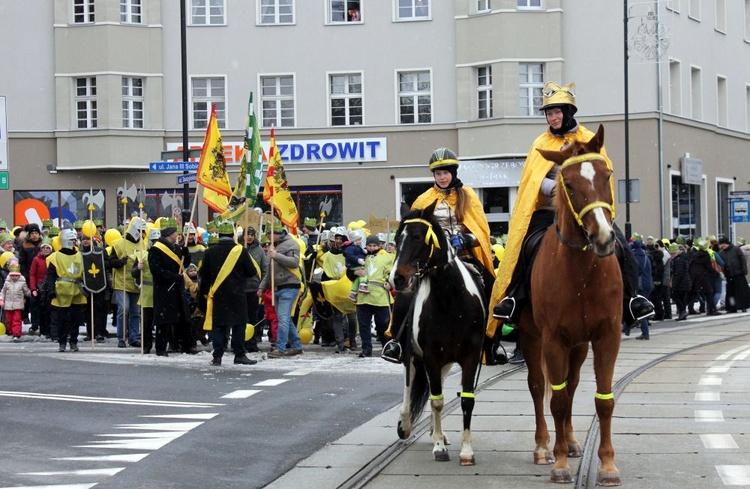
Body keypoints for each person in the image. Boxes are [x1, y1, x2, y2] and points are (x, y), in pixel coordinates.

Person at [488, 81, 654, 350]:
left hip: (587, 208)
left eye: (557, 112)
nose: (553, 117)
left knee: (620, 244)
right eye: (549, 113)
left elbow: (602, 174)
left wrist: (586, 197)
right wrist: (559, 189)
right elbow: (532, 180)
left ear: (568, 112)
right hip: (550, 210)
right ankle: (515, 298)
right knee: (526, 245)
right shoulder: (541, 143)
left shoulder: (588, 139)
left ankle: (632, 299)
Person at [382, 147, 496, 363]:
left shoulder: (468, 196)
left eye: (445, 173)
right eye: (437, 174)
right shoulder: (423, 200)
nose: (442, 177)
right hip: (431, 262)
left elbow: (481, 230)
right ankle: (396, 342)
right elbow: (412, 234)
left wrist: (466, 239)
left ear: (453, 172)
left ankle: (491, 344)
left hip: (464, 257)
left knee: (491, 285)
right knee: (406, 295)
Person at [199, 219, 258, 366]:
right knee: (239, 325)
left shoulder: (210, 252)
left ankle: (217, 355)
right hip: (238, 294)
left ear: (218, 235)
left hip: (218, 294)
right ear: (233, 235)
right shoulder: (241, 251)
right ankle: (239, 354)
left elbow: (203, 274)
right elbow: (251, 272)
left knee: (219, 326)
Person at [149, 219, 196, 355]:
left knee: (182, 318)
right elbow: (156, 270)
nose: (178, 235)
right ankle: (161, 347)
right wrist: (172, 277)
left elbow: (183, 265)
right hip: (164, 288)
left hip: (177, 288)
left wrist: (186, 255)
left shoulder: (176, 248)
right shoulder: (156, 249)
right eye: (176, 232)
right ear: (169, 234)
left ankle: (184, 345)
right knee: (164, 320)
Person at [259, 222, 304, 358]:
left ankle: (281, 347)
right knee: (284, 318)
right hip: (278, 286)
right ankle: (296, 345)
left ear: (276, 233)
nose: (267, 237)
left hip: (289, 285)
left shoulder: (292, 244)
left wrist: (277, 256)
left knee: (283, 319)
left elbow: (294, 262)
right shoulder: (273, 247)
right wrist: (262, 287)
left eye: (269, 234)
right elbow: (269, 272)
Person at [44, 226, 87, 352]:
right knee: (62, 320)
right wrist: (51, 290)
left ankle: (73, 341)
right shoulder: (55, 257)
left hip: (77, 291)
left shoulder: (80, 255)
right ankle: (62, 342)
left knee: (75, 319)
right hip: (61, 292)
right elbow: (51, 276)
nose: (73, 242)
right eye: (71, 240)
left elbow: (86, 273)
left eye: (74, 240)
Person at [352, 234, 394, 358]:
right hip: (363, 295)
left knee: (382, 323)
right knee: (364, 324)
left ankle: (386, 347)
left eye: (374, 245)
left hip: (380, 295)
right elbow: (350, 268)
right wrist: (354, 272)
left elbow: (391, 273)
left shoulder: (386, 257)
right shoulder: (361, 255)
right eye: (369, 245)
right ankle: (366, 349)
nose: (371, 248)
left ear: (379, 245)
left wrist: (390, 284)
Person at [109, 217, 145, 348]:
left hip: (136, 283)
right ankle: (122, 337)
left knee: (136, 311)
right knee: (124, 309)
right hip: (122, 282)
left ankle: (134, 337)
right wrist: (119, 262)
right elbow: (110, 262)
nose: (142, 234)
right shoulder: (119, 244)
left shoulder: (143, 244)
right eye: (140, 231)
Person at [133, 228, 159, 353]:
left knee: (160, 322)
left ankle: (160, 345)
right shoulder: (142, 254)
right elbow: (133, 273)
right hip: (147, 293)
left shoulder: (163, 254)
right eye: (154, 241)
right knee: (146, 323)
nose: (155, 243)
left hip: (160, 292)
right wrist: (138, 268)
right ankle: (146, 345)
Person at [241, 226, 266, 352]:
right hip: (240, 288)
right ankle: (240, 342)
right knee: (241, 318)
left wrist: (262, 286)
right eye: (247, 234)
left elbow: (264, 269)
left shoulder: (259, 250)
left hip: (254, 289)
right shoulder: (238, 248)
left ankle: (251, 342)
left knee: (252, 317)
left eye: (252, 234)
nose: (249, 237)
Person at [718, 237, 750, 313]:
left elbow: (742, 260)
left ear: (726, 243)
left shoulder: (736, 249)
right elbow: (721, 264)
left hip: (739, 274)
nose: (722, 246)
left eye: (723, 244)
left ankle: (743, 306)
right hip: (729, 275)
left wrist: (744, 270)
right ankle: (732, 307)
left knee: (741, 292)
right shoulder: (721, 253)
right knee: (730, 293)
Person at [0, 263, 31, 341]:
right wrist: (1, 300)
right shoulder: (7, 283)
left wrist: (29, 293)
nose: (14, 277)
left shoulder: (22, 283)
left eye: (16, 275)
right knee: (9, 319)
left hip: (18, 304)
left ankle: (16, 334)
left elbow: (26, 291)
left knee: (16, 319)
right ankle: (11, 330)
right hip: (8, 304)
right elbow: (3, 292)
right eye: (12, 275)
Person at [630, 238, 653, 340]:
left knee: (640, 308)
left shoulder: (636, 256)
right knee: (641, 306)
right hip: (647, 283)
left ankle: (645, 332)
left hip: (640, 285)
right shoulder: (645, 256)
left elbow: (636, 271)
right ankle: (630, 327)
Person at [29, 238, 53, 336]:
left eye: (48, 248)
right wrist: (33, 288)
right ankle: (38, 327)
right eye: (44, 248)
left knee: (49, 309)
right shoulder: (36, 259)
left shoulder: (53, 258)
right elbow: (32, 274)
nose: (46, 250)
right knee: (38, 308)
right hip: (39, 287)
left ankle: (49, 330)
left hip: (49, 286)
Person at [668, 244, 692, 321]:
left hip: (681, 284)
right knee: (681, 299)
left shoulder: (678, 260)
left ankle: (683, 312)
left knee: (677, 298)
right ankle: (683, 312)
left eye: (673, 254)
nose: (671, 255)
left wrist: (674, 284)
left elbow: (678, 273)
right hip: (684, 283)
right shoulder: (681, 259)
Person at [343, 229, 368, 301]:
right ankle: (363, 285)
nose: (360, 242)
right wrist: (358, 260)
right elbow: (350, 256)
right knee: (364, 273)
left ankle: (353, 292)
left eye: (360, 240)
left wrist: (364, 251)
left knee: (357, 279)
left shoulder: (357, 247)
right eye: (358, 240)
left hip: (356, 264)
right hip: (356, 265)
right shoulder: (351, 248)